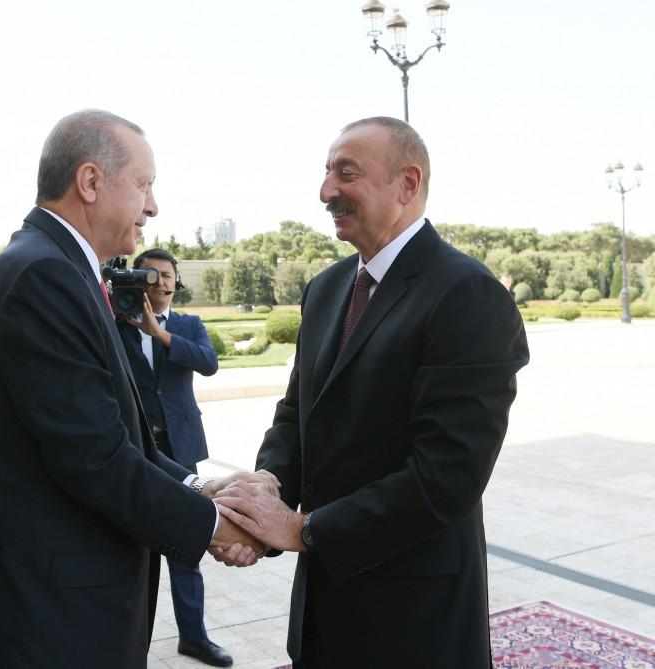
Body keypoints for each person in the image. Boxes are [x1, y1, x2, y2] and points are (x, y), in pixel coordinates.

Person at [0, 110, 269, 669]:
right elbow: (97, 460)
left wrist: (203, 488)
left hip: (55, 611)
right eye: (144, 184)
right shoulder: (43, 277)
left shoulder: (62, 269)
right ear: (90, 182)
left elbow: (124, 439)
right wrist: (217, 527)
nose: (153, 205)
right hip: (38, 620)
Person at [216, 116, 530, 668]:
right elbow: (296, 413)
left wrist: (302, 529)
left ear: (407, 184)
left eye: (347, 173)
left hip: (413, 622)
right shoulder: (328, 288)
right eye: (326, 173)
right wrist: (269, 486)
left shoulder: (467, 295)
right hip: (324, 611)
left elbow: (446, 476)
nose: (325, 191)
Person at [117, 248, 232, 667]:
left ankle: (194, 637)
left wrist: (159, 333)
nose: (160, 282)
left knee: (187, 543)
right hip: (135, 453)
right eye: (151, 274)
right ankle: (130, 644)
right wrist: (135, 325)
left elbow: (209, 363)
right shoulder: (116, 325)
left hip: (180, 451)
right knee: (135, 551)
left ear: (175, 281)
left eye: (167, 275)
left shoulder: (187, 325)